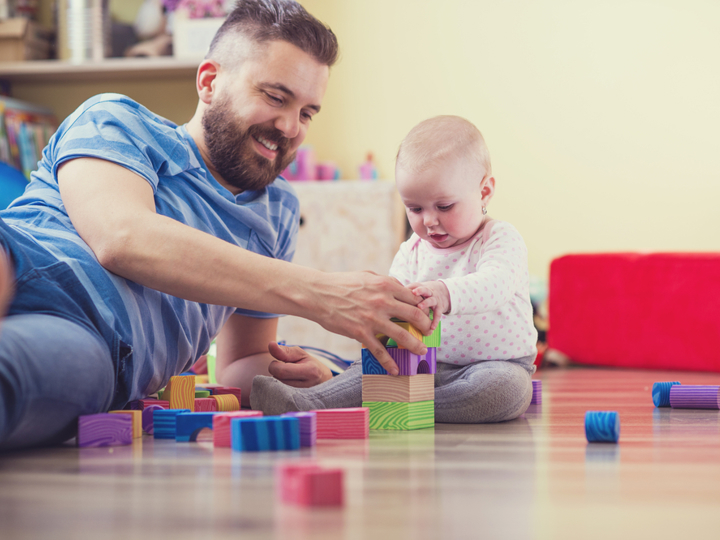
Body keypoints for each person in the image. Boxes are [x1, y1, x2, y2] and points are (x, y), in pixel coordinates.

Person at [0, 0, 430, 450]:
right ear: (209, 81)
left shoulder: (276, 210)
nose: (289, 127)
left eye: (306, 113)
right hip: (19, 255)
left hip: (92, 344)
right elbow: (122, 237)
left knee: (27, 376)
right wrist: (321, 294)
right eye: (275, 97)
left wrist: (310, 377)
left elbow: (241, 361)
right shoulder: (117, 120)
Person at [251, 116, 538, 423]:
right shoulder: (411, 250)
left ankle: (405, 405)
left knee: (505, 391)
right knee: (371, 367)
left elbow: (496, 284)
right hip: (417, 363)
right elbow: (390, 304)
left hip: (493, 365)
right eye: (415, 208)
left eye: (444, 206)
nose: (428, 221)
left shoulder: (499, 238)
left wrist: (444, 292)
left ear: (483, 193)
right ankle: (310, 402)